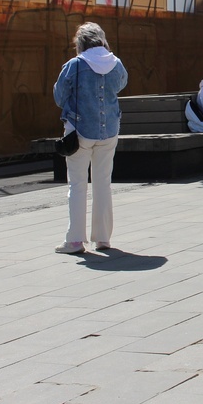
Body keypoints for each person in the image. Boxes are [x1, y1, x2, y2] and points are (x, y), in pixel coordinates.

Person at [53, 22, 129, 254]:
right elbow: (121, 84)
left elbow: (59, 96)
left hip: (79, 130)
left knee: (77, 185)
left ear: (81, 42)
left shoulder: (75, 65)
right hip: (109, 131)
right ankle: (103, 238)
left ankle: (75, 240)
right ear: (102, 40)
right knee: (103, 183)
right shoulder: (116, 64)